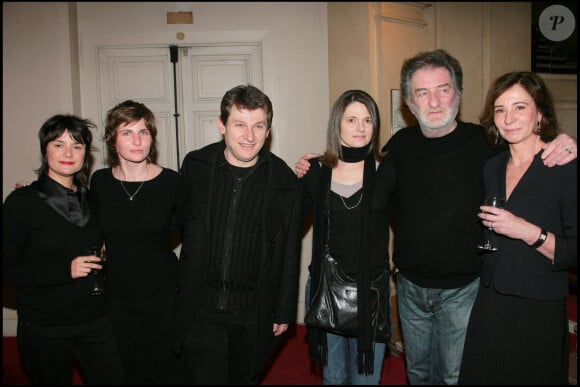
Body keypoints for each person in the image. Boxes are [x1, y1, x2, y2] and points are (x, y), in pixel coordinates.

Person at [295, 49, 577, 384]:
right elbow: (355, 171)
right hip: (410, 289)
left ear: (457, 94)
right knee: (417, 373)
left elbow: (528, 142)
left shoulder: (486, 144)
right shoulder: (398, 148)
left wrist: (564, 140)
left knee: (456, 376)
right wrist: (316, 164)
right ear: (409, 103)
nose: (434, 102)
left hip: (464, 291)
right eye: (422, 93)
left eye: (443, 89)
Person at [173, 84, 303, 384]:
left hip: (253, 312)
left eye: (258, 126)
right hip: (201, 309)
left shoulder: (284, 181)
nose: (249, 136)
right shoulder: (195, 167)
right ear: (222, 125)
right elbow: (172, 223)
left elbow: (289, 250)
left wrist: (284, 308)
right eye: (240, 125)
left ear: (268, 130)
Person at [458, 71, 577, 385]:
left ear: (540, 114)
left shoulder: (564, 168)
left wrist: (526, 231)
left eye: (520, 107)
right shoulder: (493, 166)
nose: (508, 118)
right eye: (500, 109)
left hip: (536, 308)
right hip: (490, 301)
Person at [3, 114, 123, 384]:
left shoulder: (94, 199)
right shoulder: (22, 203)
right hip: (45, 327)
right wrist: (64, 269)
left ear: (85, 153)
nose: (68, 153)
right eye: (59, 145)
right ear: (45, 149)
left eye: (77, 146)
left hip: (97, 321)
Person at [300, 89, 394, 384]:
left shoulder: (387, 171)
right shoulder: (315, 171)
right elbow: (284, 220)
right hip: (326, 287)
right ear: (337, 123)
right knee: (334, 377)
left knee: (366, 380)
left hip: (371, 293)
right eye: (352, 119)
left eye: (368, 120)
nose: (361, 127)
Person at [90, 100, 187, 385]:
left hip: (163, 296)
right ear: (112, 140)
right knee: (126, 371)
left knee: (168, 371)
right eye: (127, 132)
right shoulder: (100, 182)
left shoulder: (171, 182)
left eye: (143, 132)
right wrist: (35, 196)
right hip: (116, 297)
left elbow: (196, 235)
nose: (137, 140)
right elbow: (79, 221)